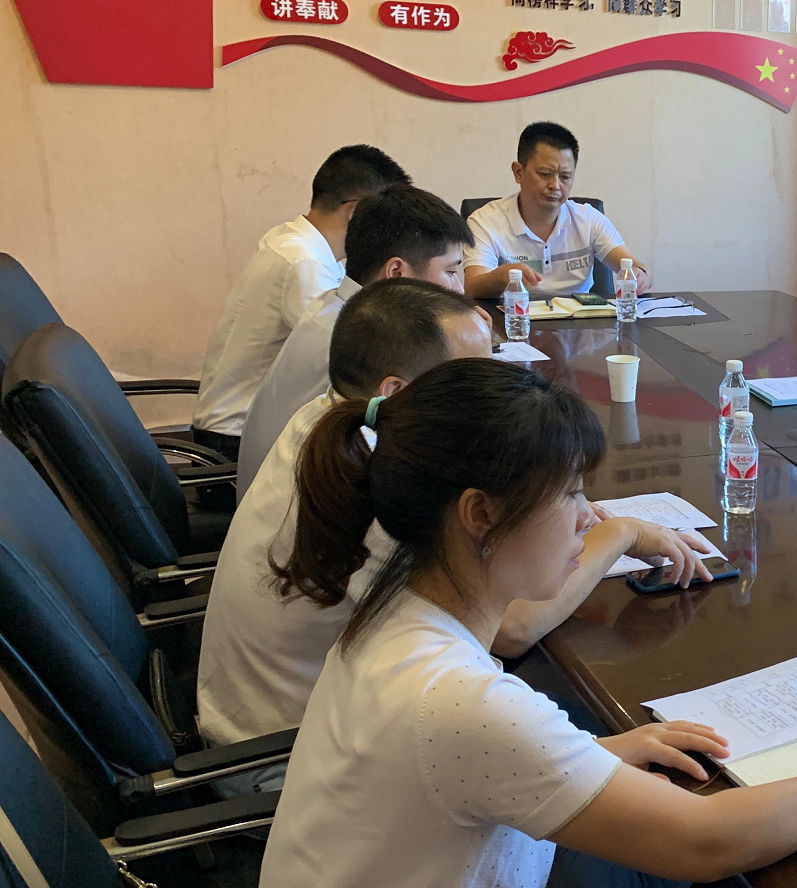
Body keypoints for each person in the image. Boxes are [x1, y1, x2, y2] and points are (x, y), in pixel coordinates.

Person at [258, 359, 797, 888]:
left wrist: (592, 753)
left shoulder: (396, 607)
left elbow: (451, 770)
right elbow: (706, 843)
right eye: (569, 493)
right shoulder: (456, 701)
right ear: (479, 514)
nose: (589, 517)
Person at [202, 280, 649, 786]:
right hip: (280, 760)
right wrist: (621, 535)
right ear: (397, 392)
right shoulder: (378, 481)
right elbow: (512, 629)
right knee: (597, 719)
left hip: (310, 718)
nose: (493, 387)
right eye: (472, 375)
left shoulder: (335, 422)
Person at [236, 185, 473, 494]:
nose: (458, 290)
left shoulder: (335, 307)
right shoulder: (360, 340)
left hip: (280, 488)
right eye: (451, 272)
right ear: (397, 272)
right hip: (304, 500)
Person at [192, 146, 409, 458]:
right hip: (235, 440)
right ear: (355, 212)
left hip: (242, 427)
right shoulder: (304, 260)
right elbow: (345, 358)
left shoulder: (297, 242)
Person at [463, 121, 651, 299]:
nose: (555, 185)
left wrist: (640, 275)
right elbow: (472, 288)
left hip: (580, 319)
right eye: (545, 174)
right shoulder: (485, 221)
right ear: (518, 172)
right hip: (514, 317)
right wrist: (501, 276)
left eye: (565, 177)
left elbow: (636, 267)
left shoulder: (589, 219)